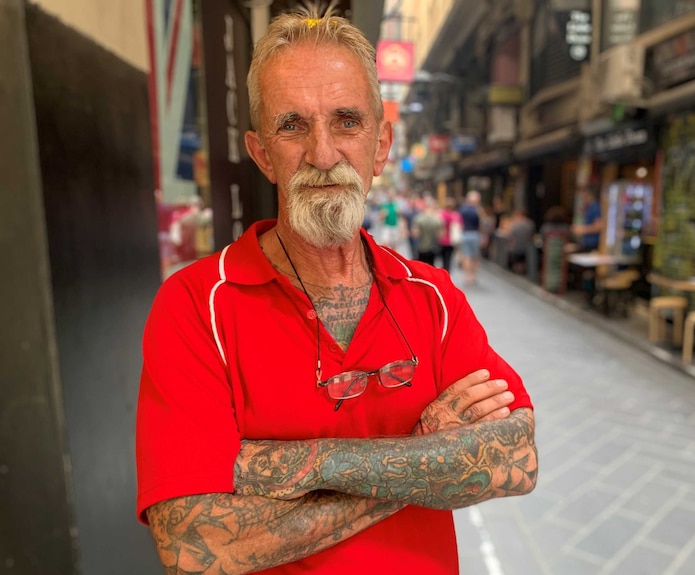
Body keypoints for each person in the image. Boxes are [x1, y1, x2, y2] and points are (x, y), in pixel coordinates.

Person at [135, 6, 537, 575]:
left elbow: (515, 458)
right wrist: (421, 456)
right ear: (261, 153)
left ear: (380, 145)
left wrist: (270, 467)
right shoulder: (197, 305)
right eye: (292, 125)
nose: (322, 154)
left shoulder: (433, 297)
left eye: (347, 121)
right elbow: (193, 546)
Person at [458, 190, 483, 285]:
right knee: (474, 256)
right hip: (474, 234)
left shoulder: (462, 209)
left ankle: (467, 276)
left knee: (466, 256)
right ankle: (473, 275)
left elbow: (459, 222)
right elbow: (481, 224)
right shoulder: (478, 210)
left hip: (464, 234)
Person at [410, 196, 442, 266]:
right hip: (433, 247)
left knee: (422, 267)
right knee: (431, 267)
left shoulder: (419, 218)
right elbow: (440, 235)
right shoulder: (437, 219)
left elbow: (415, 234)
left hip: (422, 247)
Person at [571, 186, 602, 253]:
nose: (582, 198)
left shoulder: (595, 206)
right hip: (586, 242)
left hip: (592, 243)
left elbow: (598, 226)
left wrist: (581, 229)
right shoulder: (589, 207)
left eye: (583, 196)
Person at [436, 196, 462, 273]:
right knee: (448, 259)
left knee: (442, 258)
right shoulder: (456, 215)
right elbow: (460, 227)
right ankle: (447, 273)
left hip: (442, 240)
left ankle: (443, 272)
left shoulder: (441, 214)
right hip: (451, 240)